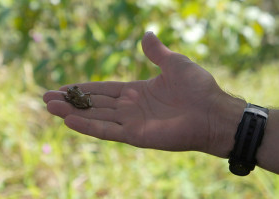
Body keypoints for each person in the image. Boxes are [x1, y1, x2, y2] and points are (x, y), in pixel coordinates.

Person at [43, 32, 279, 175]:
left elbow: (79, 98)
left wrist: (218, 115)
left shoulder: (76, 96)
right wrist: (226, 121)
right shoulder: (74, 96)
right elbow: (76, 97)